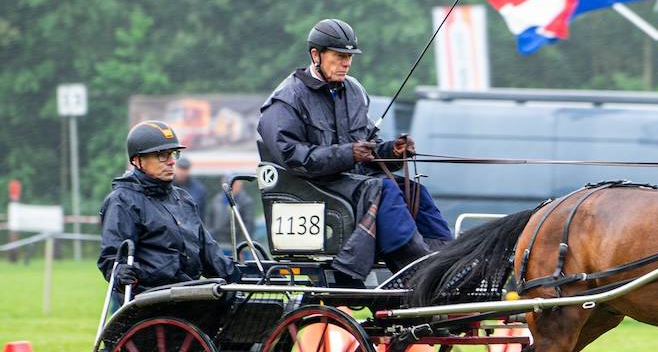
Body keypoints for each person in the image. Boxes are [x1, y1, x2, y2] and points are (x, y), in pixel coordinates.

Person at [257, 18, 452, 283]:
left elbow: (367, 147)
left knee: (414, 190)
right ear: (315, 55)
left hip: (353, 182)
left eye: (349, 57)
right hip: (313, 185)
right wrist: (348, 154)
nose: (346, 63)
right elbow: (293, 157)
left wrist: (393, 151)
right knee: (383, 189)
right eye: (339, 56)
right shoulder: (286, 100)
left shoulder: (354, 91)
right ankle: (417, 270)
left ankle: (448, 260)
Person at [98, 120, 239, 296]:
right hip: (152, 299)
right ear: (138, 160)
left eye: (173, 154)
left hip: (189, 293)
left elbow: (208, 253)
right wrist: (119, 272)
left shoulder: (183, 199)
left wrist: (242, 275)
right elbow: (111, 258)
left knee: (244, 304)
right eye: (161, 155)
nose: (172, 162)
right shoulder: (122, 201)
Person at [206, 175, 258, 254]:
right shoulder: (216, 200)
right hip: (218, 244)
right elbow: (209, 219)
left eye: (236, 183)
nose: (234, 186)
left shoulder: (246, 202)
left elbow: (248, 225)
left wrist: (241, 246)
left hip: (237, 245)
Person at [173, 155, 207, 223]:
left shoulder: (198, 189)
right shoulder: (167, 185)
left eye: (185, 169)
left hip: (192, 225)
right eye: (180, 168)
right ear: (175, 168)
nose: (182, 172)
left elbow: (201, 213)